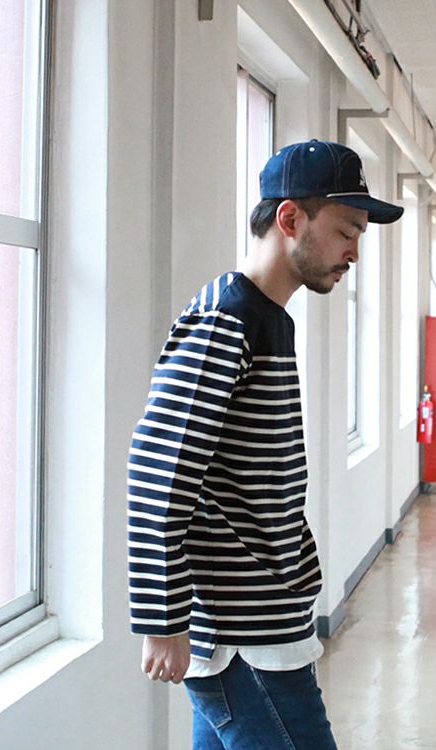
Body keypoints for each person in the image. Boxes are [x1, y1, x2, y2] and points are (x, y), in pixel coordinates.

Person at [127, 139, 403, 749]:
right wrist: (162, 617)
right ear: (290, 218)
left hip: (259, 624)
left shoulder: (267, 318)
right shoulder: (225, 320)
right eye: (346, 231)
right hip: (241, 641)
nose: (354, 252)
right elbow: (158, 469)